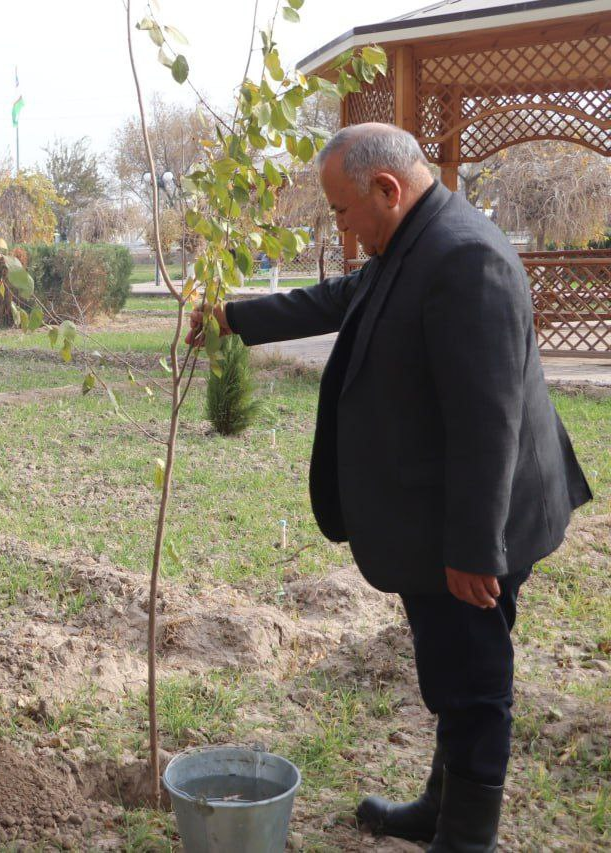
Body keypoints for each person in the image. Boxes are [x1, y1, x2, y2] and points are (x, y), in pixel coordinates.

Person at [191, 123, 592, 851]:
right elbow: (342, 297)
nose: (340, 228)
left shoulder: (465, 259)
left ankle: (466, 837)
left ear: (386, 189)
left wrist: (475, 548)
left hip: (476, 524)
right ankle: (442, 807)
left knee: (473, 682)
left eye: (343, 211)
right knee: (453, 665)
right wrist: (231, 318)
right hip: (441, 512)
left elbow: (487, 421)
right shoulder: (414, 238)